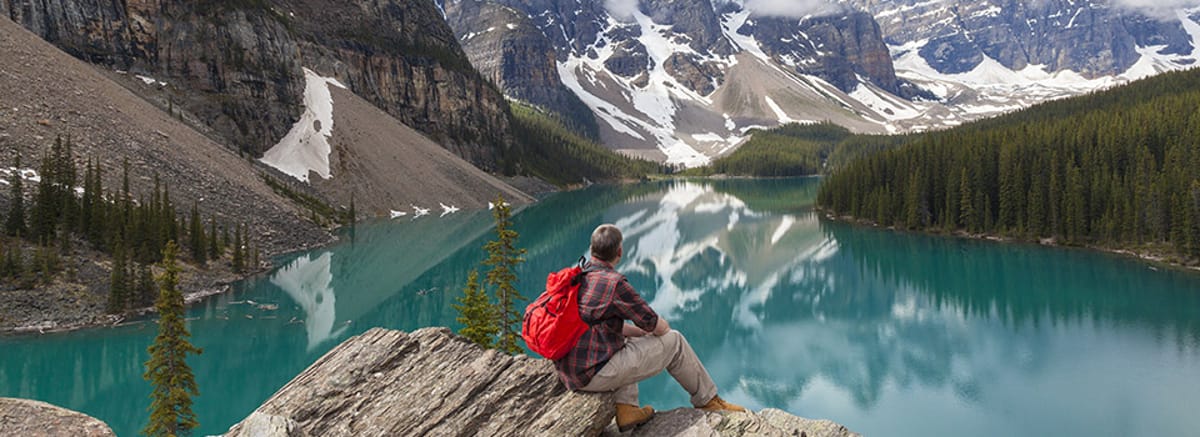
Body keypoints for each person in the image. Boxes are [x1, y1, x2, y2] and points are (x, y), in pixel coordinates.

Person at [555, 224, 745, 432]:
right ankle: (708, 400)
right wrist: (658, 330)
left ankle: (627, 409)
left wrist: (639, 333)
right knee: (675, 341)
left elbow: (602, 326)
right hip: (592, 374)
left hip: (570, 370)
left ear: (592, 249)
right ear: (619, 252)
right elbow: (656, 325)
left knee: (627, 340)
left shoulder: (580, 276)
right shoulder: (614, 284)